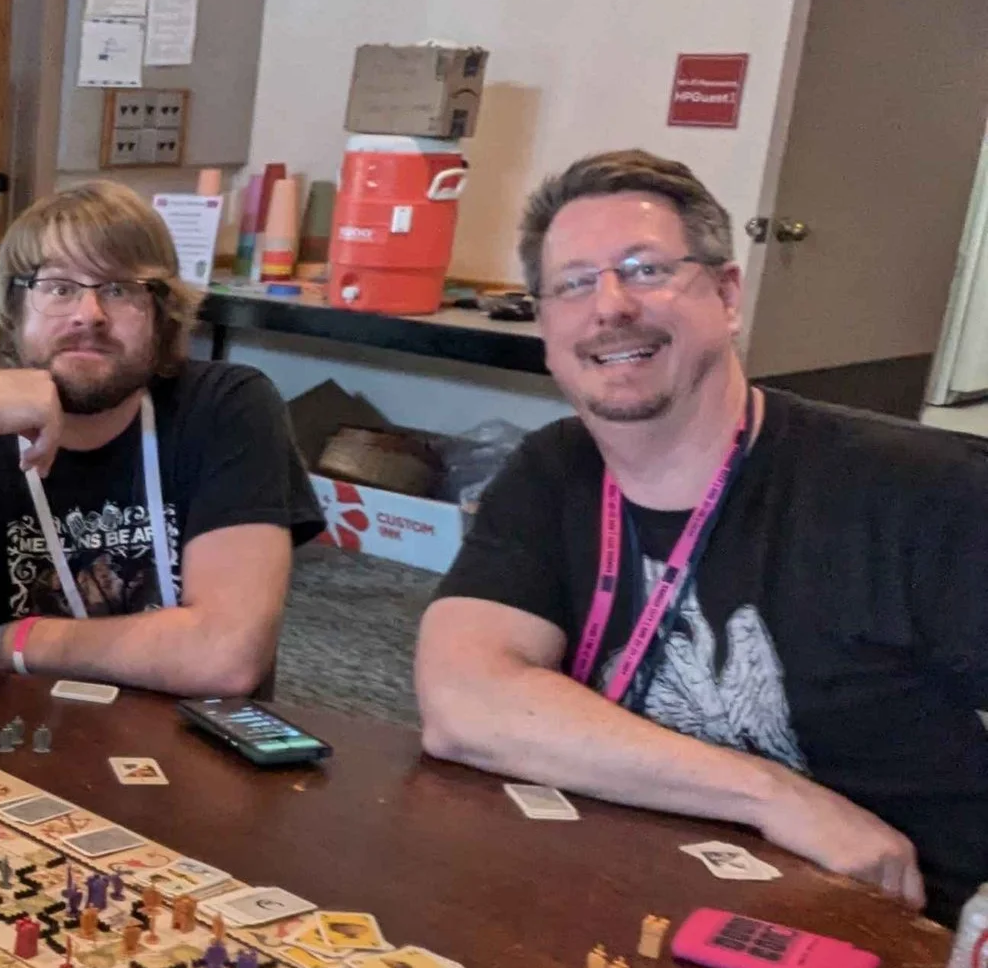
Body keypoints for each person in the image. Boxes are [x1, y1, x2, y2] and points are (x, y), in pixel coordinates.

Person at [416, 149, 988, 920]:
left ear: (726, 295)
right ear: (545, 326)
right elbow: (462, 700)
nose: (610, 306)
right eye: (573, 283)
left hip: (898, 927)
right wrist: (770, 794)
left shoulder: (922, 492)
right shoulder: (554, 469)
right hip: (630, 899)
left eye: (646, 270)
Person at [0, 180, 321, 692]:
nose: (88, 314)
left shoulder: (226, 407)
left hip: (180, 730)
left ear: (160, 312)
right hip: (2, 729)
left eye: (119, 289)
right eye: (58, 288)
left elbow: (226, 656)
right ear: (15, 309)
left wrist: (18, 642)